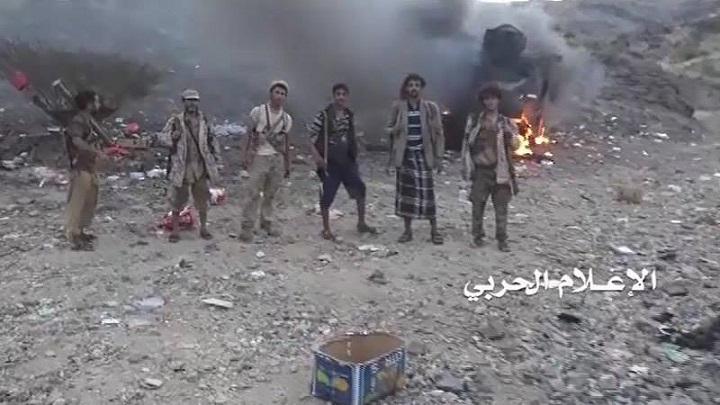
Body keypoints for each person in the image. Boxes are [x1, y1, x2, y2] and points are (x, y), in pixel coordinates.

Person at [308, 83, 376, 240]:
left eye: (343, 94)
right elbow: (311, 138)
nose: (341, 97)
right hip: (330, 162)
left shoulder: (348, 115)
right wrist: (317, 157)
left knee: (359, 189)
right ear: (334, 96)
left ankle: (361, 223)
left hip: (347, 161)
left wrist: (359, 147)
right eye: (338, 94)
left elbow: (351, 135)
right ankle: (326, 229)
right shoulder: (324, 116)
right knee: (327, 195)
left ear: (347, 97)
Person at [385, 73, 445, 245]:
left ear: (421, 88)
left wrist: (439, 157)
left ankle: (434, 231)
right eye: (411, 85)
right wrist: (395, 129)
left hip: (423, 155)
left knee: (427, 194)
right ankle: (407, 231)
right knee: (406, 195)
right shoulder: (398, 107)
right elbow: (389, 130)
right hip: (405, 156)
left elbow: (439, 133)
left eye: (417, 85)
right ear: (406, 88)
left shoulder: (430, 108)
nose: (414, 88)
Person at [460, 82, 521, 252]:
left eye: (493, 98)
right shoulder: (475, 122)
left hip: (500, 170)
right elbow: (467, 144)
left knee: (501, 207)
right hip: (481, 170)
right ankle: (477, 236)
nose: (490, 102)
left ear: (498, 100)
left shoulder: (506, 123)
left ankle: (502, 239)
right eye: (487, 99)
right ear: (483, 101)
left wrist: (510, 136)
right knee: (477, 205)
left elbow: (516, 145)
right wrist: (466, 167)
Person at [162, 89, 221, 243]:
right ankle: (175, 231)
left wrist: (216, 159)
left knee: (202, 198)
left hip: (200, 165)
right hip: (182, 165)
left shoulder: (204, 121)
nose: (192, 103)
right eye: (189, 100)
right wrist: (172, 137)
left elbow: (212, 139)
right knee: (177, 199)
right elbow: (163, 138)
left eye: (194, 100)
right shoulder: (176, 121)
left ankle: (204, 228)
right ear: (184, 102)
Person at [238, 80, 292, 242]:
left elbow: (286, 142)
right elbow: (248, 133)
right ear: (270, 94)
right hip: (259, 156)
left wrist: (287, 164)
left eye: (283, 94)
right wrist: (244, 154)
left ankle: (266, 223)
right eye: (277, 92)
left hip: (277, 158)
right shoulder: (259, 112)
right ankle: (247, 228)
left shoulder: (286, 119)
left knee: (271, 194)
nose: (279, 96)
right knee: (253, 193)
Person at [64, 90, 106, 251]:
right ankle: (73, 235)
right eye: (96, 101)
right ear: (89, 104)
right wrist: (96, 152)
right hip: (80, 166)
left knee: (90, 200)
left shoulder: (89, 121)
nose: (98, 104)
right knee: (78, 200)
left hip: (89, 166)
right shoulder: (78, 121)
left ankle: (81, 230)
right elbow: (77, 141)